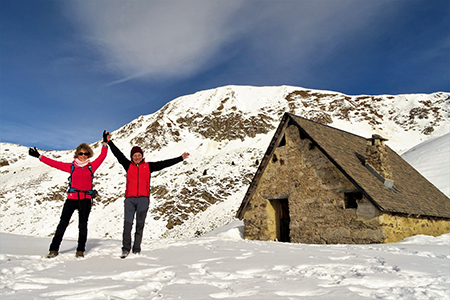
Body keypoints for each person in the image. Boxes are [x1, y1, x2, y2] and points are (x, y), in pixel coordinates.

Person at [105, 131, 189, 258]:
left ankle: (137, 248)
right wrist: (109, 142)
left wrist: (180, 158)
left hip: (143, 200)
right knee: (127, 225)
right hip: (130, 199)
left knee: (140, 225)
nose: (137, 157)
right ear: (131, 157)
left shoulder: (149, 166)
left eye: (139, 155)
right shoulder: (127, 165)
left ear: (142, 156)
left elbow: (164, 163)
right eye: (134, 155)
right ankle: (125, 249)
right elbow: (118, 154)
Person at [28, 131, 109, 258]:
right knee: (62, 224)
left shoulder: (91, 167)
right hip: (71, 199)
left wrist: (104, 142)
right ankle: (53, 249)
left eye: (86, 153)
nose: (83, 156)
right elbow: (54, 163)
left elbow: (102, 156)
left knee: (83, 226)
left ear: (89, 155)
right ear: (77, 154)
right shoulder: (71, 167)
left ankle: (80, 250)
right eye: (81, 153)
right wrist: (39, 156)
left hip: (85, 199)